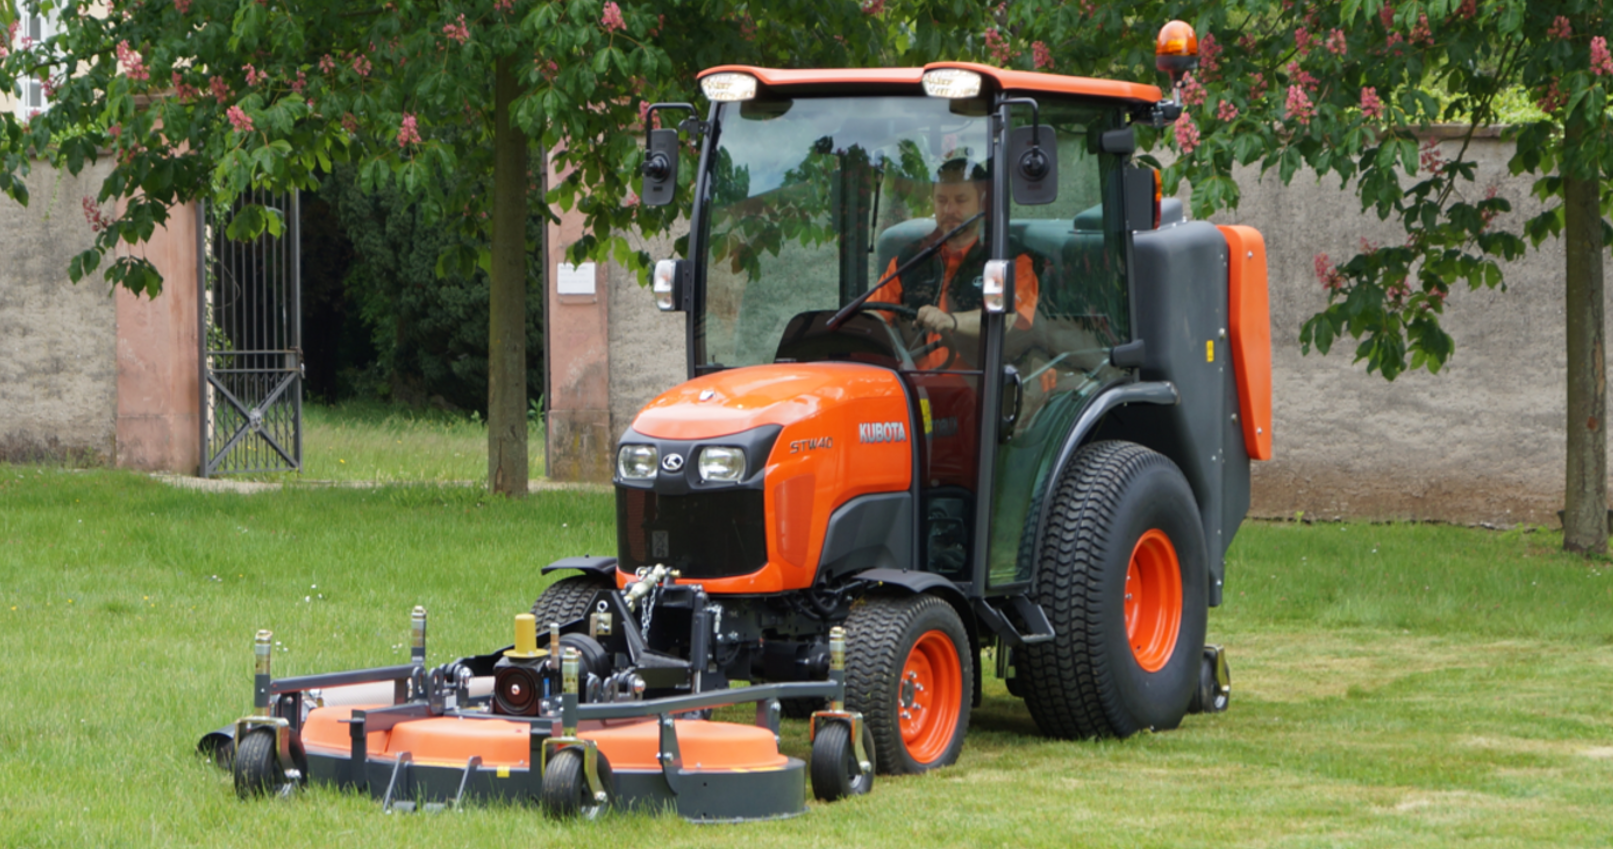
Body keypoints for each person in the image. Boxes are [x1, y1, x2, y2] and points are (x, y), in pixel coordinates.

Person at [865, 157, 1040, 369]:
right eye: (941, 200)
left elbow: (1005, 319)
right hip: (915, 391)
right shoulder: (911, 259)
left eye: (960, 200)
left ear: (983, 202)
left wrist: (951, 321)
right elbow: (872, 314)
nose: (949, 210)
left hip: (983, 391)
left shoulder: (1001, 257)